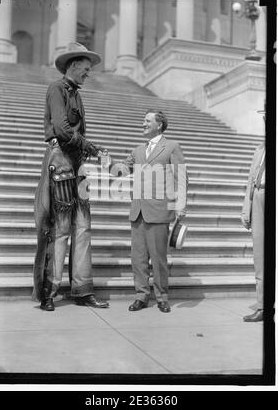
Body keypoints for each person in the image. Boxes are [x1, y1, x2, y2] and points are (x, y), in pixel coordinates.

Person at [32, 42, 109, 311]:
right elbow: (62, 130)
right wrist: (91, 147)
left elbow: (73, 133)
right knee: (61, 229)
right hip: (62, 164)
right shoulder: (57, 89)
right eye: (86, 70)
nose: (88, 74)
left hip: (76, 166)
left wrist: (88, 149)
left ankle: (82, 290)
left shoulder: (76, 93)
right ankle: (48, 293)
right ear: (73, 66)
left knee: (83, 228)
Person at [102, 110, 188, 312]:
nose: (143, 123)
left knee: (158, 258)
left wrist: (180, 204)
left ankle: (161, 297)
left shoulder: (172, 147)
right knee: (138, 258)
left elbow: (181, 177)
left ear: (159, 125)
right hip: (138, 211)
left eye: (147, 121)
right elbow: (121, 170)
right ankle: (141, 295)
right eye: (143, 121)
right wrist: (108, 164)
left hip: (159, 211)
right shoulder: (138, 150)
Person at [241, 105, 266, 322]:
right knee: (260, 255)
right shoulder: (260, 148)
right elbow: (250, 181)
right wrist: (245, 209)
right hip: (258, 197)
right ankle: (263, 306)